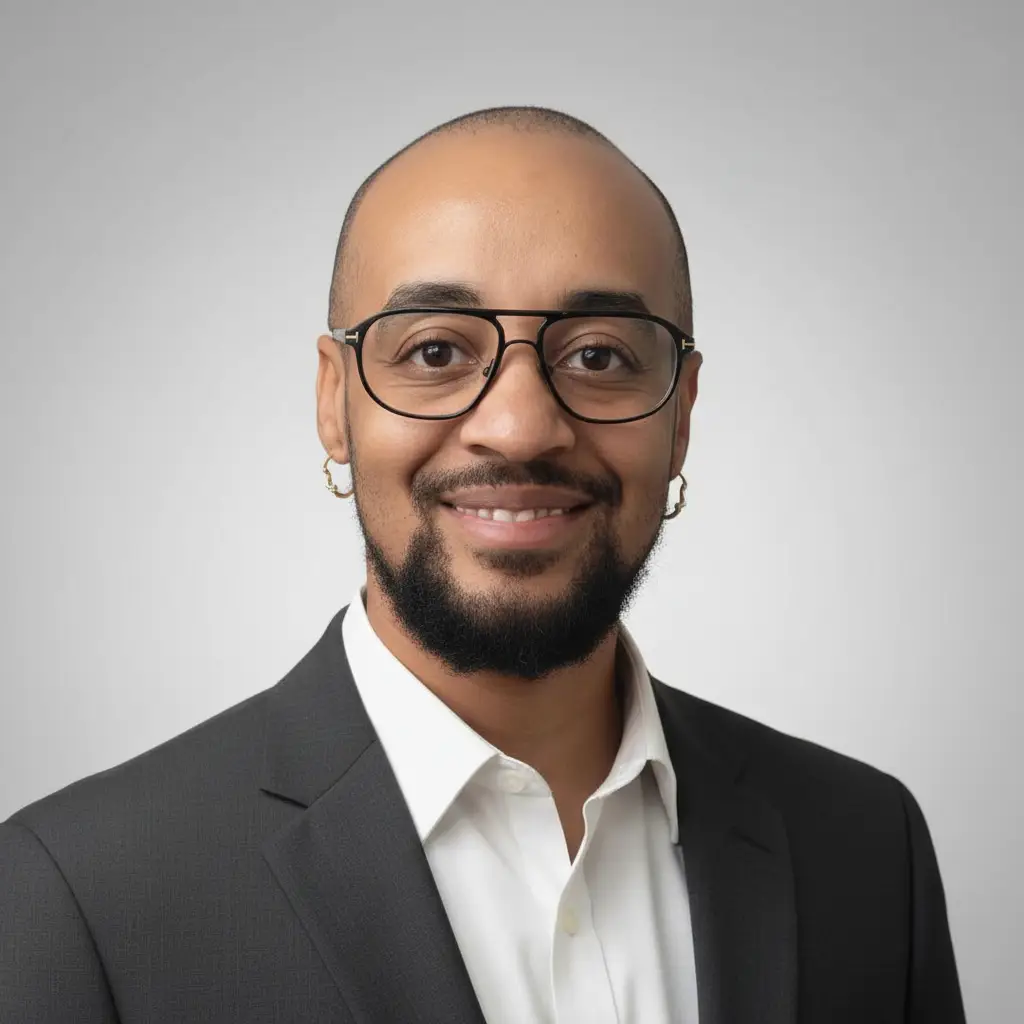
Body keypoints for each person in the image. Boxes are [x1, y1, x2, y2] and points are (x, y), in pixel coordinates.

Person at [0, 106, 965, 1024]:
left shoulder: (866, 847)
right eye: (434, 350)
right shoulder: (72, 895)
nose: (519, 427)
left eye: (597, 356)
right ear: (335, 403)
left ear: (682, 412)